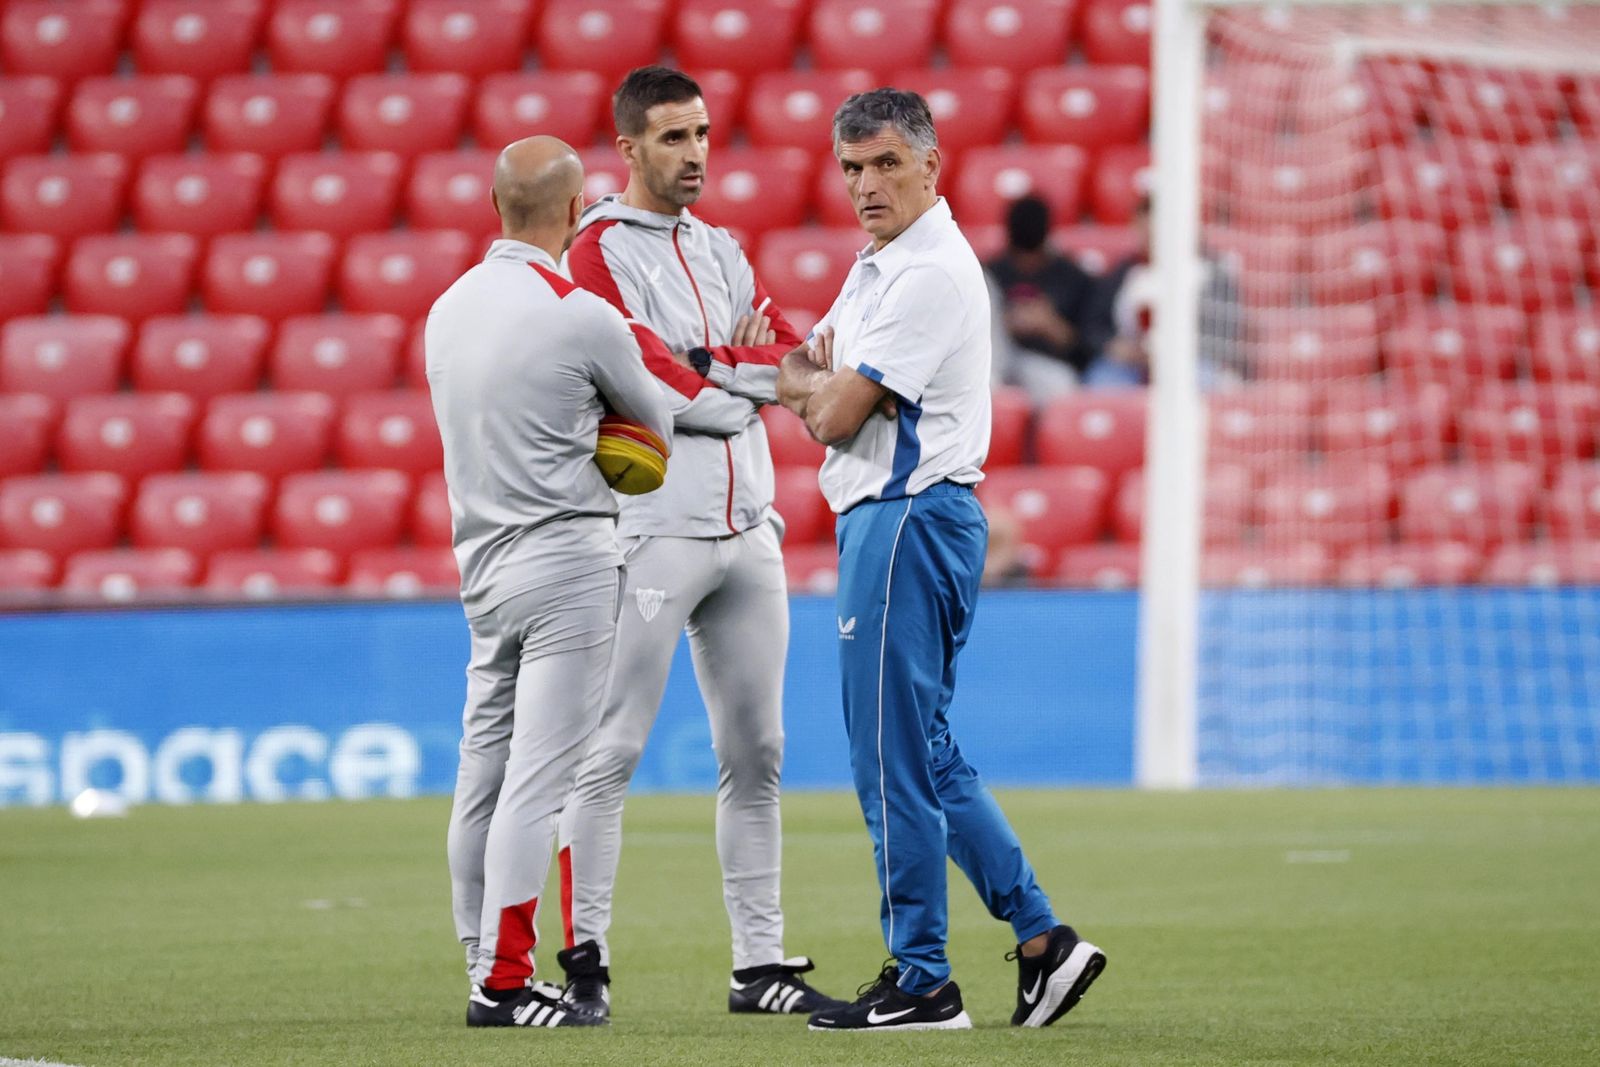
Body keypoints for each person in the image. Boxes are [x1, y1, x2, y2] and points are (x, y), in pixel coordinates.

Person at [776, 89, 1108, 1033]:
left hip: (907, 518)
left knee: (888, 755)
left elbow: (830, 408)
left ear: (932, 163)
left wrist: (813, 388)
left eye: (884, 164)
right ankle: (1043, 940)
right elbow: (803, 365)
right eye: (850, 167)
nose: (865, 185)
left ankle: (923, 978)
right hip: (906, 520)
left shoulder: (926, 274)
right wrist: (815, 382)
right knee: (921, 747)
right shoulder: (881, 263)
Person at [554, 66, 843, 1020]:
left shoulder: (720, 247)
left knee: (758, 750)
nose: (695, 156)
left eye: (705, 136)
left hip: (748, 528)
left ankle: (759, 965)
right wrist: (734, 373)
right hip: (652, 529)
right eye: (674, 139)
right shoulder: (594, 251)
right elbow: (648, 380)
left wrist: (716, 365)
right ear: (629, 147)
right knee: (611, 750)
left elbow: (796, 360)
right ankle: (584, 959)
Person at [428, 136, 674, 1029]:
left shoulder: (444, 310)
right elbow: (654, 431)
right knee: (543, 779)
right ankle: (504, 982)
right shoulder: (580, 312)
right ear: (576, 212)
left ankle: (477, 958)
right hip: (567, 560)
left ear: (495, 205)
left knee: (482, 775)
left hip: (481, 565)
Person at [1082, 195, 1245, 389]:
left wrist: (1173, 352)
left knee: (1203, 380)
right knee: (1103, 382)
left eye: (1158, 233)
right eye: (1145, 232)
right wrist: (1113, 345)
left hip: (1193, 362)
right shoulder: (1125, 272)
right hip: (1131, 363)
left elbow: (1226, 332)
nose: (1151, 240)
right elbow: (1093, 325)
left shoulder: (1210, 273)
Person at [986, 195, 1100, 402]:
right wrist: (1006, 323)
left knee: (1061, 387)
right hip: (997, 361)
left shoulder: (1072, 277)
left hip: (1052, 366)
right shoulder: (991, 273)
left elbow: (1090, 349)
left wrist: (1050, 326)